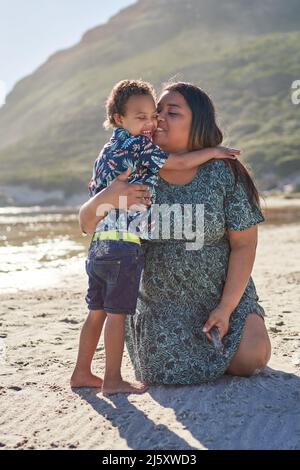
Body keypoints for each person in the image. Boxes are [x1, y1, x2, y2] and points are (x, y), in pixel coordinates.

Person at [77, 81, 271, 386]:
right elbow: (88, 223)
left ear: (197, 123)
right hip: (160, 306)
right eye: (157, 111)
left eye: (173, 112)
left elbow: (245, 245)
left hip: (223, 295)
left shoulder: (223, 171)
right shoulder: (134, 167)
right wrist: (106, 198)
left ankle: (229, 318)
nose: (158, 118)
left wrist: (226, 307)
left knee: (251, 357)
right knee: (165, 372)